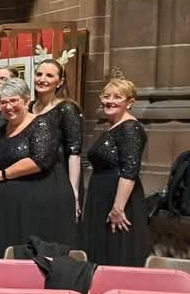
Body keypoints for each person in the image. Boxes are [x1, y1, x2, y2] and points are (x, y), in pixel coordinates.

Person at [0, 77, 63, 257]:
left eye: (14, 100)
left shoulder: (42, 124)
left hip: (33, 203)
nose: (8, 106)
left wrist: (3, 174)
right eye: (3, 102)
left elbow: (39, 160)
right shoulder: (0, 129)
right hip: (6, 207)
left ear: (27, 100)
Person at [82, 76, 149, 267]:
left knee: (116, 252)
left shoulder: (130, 128)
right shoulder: (113, 126)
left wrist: (118, 209)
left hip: (119, 200)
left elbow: (130, 170)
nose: (109, 101)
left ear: (130, 102)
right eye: (106, 96)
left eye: (117, 97)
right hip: (103, 195)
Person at [29, 58, 83, 237]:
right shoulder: (29, 107)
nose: (42, 79)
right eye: (39, 74)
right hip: (30, 176)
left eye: (49, 75)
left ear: (59, 82)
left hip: (55, 177)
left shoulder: (66, 109)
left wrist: (73, 192)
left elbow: (74, 151)